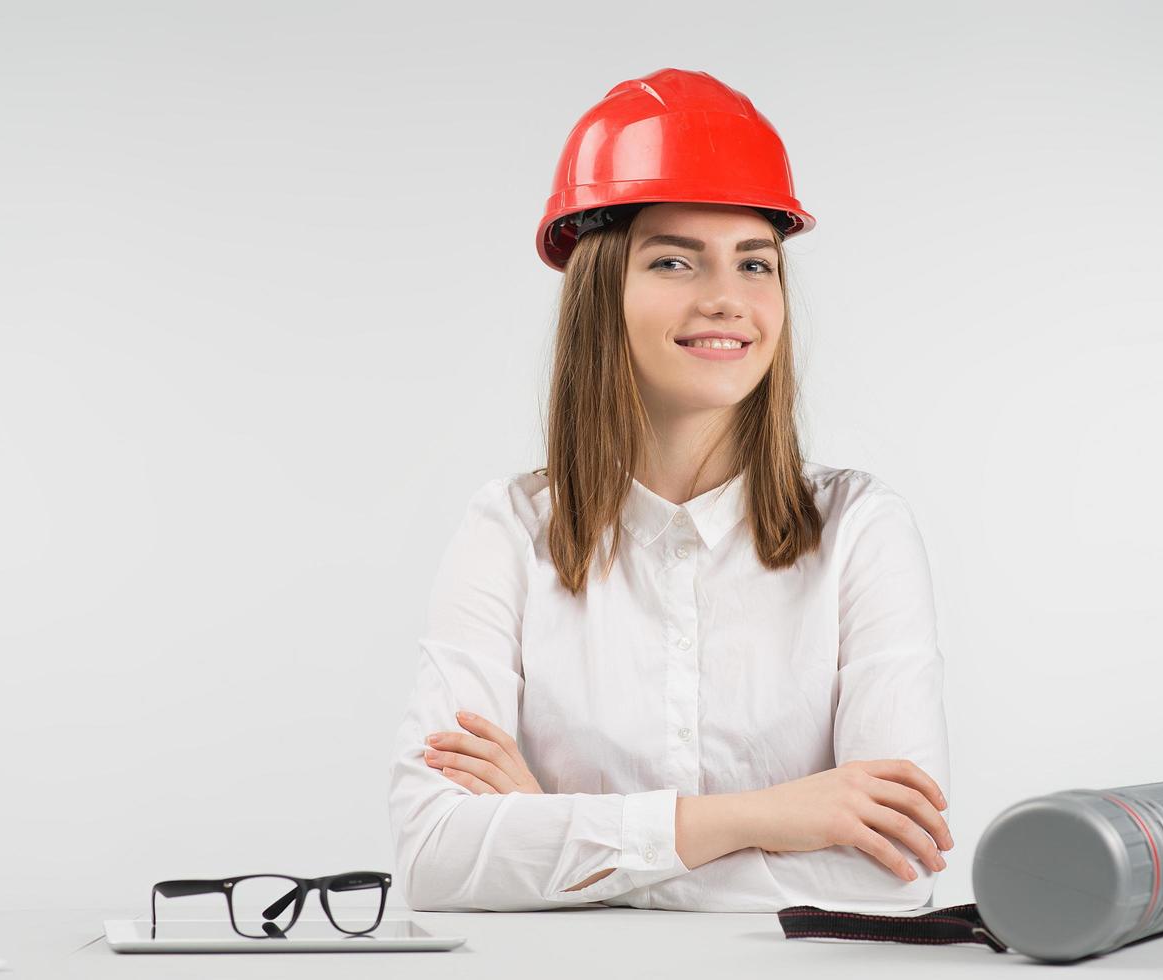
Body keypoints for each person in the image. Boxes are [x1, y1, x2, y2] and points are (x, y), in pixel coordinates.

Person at [387, 68, 952, 913]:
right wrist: (763, 818)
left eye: (754, 263)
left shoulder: (860, 531)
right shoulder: (505, 531)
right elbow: (433, 858)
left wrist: (558, 838)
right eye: (674, 260)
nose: (726, 298)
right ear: (598, 289)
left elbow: (893, 872)